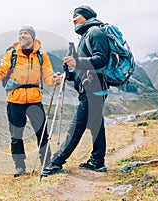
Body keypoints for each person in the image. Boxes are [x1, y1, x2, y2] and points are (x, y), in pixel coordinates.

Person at [0, 25, 62, 177]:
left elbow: (47, 76)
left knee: (42, 133)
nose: (22, 36)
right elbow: (1, 71)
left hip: (35, 100)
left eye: (25, 33)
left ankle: (47, 163)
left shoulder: (42, 55)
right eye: (20, 34)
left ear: (32, 37)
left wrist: (54, 80)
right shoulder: (12, 54)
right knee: (16, 135)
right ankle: (19, 166)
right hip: (14, 100)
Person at [41, 5, 110, 176]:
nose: (73, 19)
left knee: (76, 127)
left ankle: (54, 164)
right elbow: (84, 69)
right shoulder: (87, 35)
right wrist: (67, 76)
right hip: (93, 89)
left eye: (77, 16)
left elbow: (101, 59)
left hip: (93, 91)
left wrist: (76, 62)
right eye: (72, 17)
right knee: (96, 126)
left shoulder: (95, 32)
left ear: (87, 16)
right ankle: (97, 161)